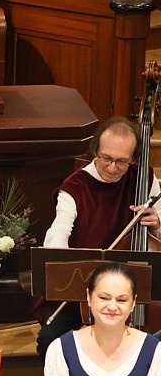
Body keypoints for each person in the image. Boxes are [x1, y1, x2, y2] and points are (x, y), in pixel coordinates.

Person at [35, 117, 161, 358]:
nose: (112, 167)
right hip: (81, 293)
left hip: (135, 292)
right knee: (50, 340)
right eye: (106, 158)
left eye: (122, 161)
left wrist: (156, 224)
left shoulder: (144, 178)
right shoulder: (75, 187)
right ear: (96, 151)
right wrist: (64, 262)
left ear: (133, 158)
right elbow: (58, 235)